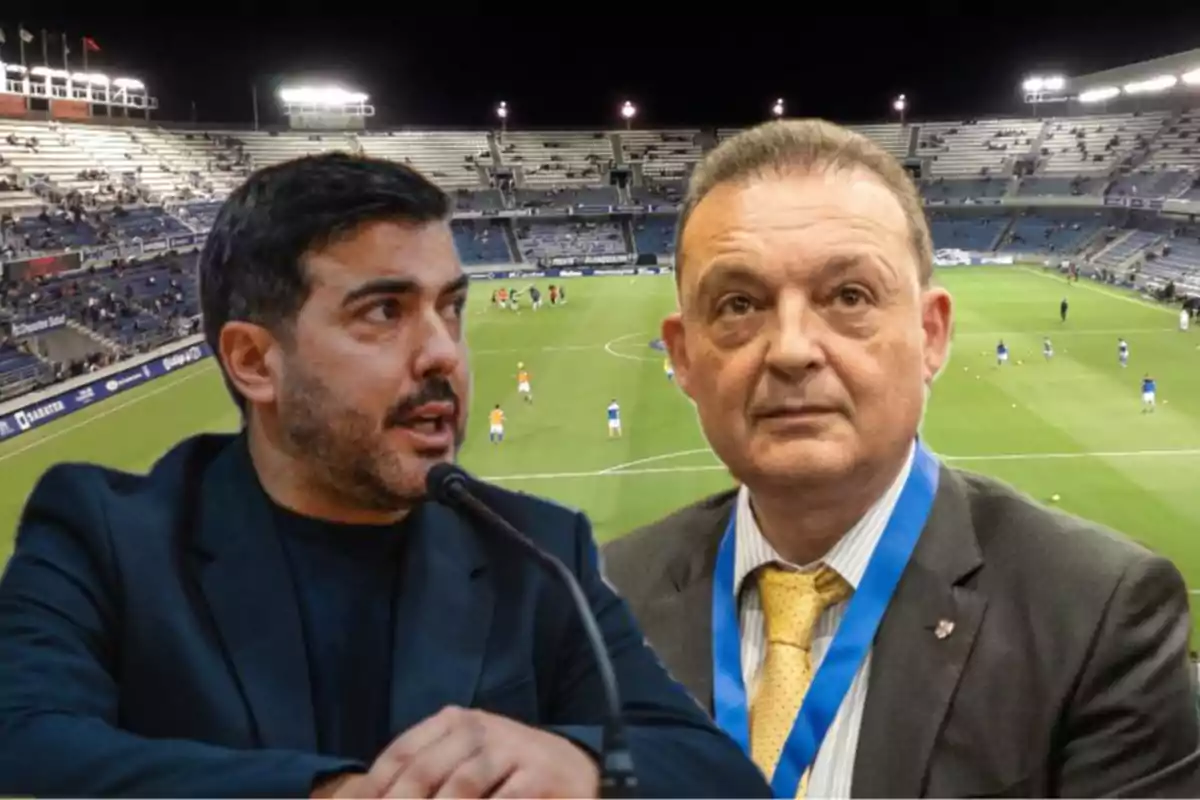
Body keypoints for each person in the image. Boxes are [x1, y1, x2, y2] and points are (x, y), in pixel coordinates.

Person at [0, 153, 771, 799]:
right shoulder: (106, 538)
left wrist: (581, 764)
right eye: (383, 312)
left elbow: (709, 769)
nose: (443, 353)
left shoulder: (534, 549)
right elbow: (26, 735)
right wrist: (328, 792)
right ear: (253, 360)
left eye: (451, 309)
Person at [601, 120, 1200, 798]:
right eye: (740, 305)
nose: (791, 349)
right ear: (683, 356)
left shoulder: (1096, 618)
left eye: (849, 296)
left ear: (930, 334)